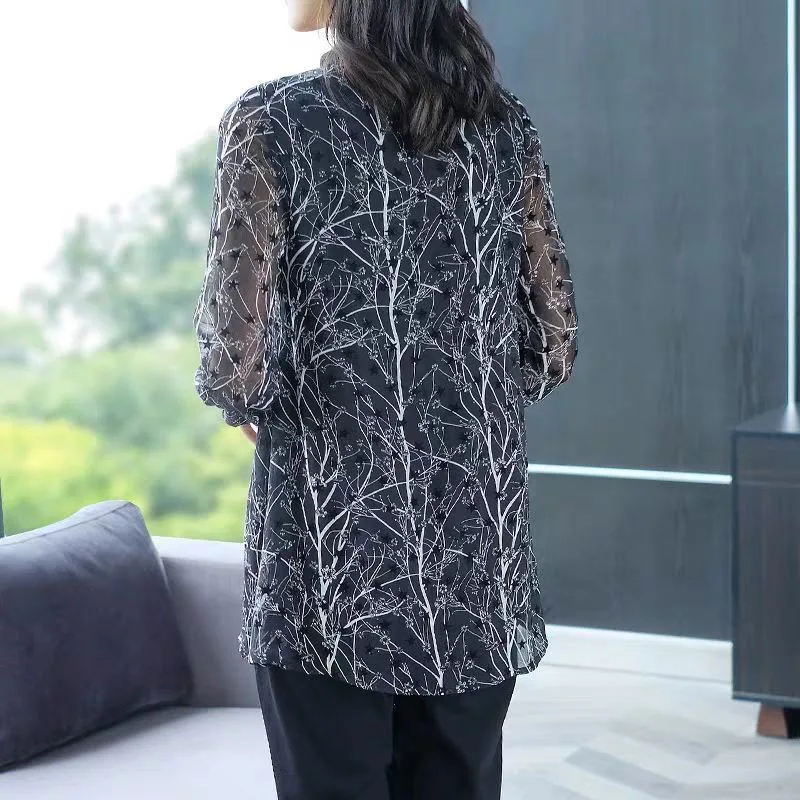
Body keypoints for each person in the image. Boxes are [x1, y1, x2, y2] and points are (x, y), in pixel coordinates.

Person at [192, 0, 579, 797]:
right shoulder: (502, 124)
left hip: (327, 555)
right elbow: (552, 345)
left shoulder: (270, 119)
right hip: (476, 550)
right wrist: (463, 391)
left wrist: (257, 408)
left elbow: (234, 366)